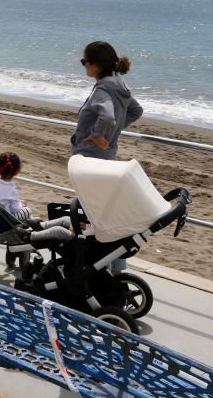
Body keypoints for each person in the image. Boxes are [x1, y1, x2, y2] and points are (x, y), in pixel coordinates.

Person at [71, 40, 144, 273]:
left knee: (89, 214)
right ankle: (116, 268)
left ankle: (91, 268)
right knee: (105, 213)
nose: (83, 66)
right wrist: (113, 134)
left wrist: (97, 135)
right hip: (108, 157)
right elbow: (136, 111)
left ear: (96, 66)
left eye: (85, 62)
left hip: (91, 161)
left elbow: (108, 117)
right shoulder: (119, 85)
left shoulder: (103, 89)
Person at [0, 151, 74, 250]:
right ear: (17, 171)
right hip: (8, 220)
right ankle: (30, 233)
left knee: (65, 220)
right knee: (27, 211)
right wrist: (22, 205)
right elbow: (15, 209)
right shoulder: (10, 189)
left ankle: (38, 225)